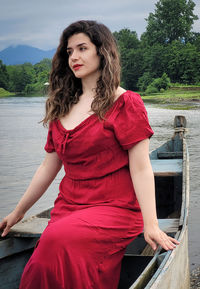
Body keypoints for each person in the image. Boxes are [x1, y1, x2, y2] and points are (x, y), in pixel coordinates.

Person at [0, 20, 179, 289]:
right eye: (69, 51)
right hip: (68, 207)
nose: (74, 57)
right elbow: (48, 167)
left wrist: (151, 225)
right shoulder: (62, 105)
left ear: (102, 51)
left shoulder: (125, 102)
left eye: (82, 48)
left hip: (114, 207)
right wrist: (17, 212)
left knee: (56, 242)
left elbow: (141, 168)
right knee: (43, 261)